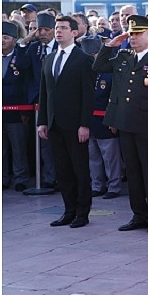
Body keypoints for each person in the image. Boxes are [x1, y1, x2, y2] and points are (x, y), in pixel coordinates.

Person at [94, 15, 148, 235]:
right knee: (134, 173)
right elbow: (98, 66)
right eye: (132, 34)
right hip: (125, 124)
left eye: (138, 34)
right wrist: (110, 45)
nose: (134, 38)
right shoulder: (122, 56)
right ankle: (138, 214)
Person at [37, 15, 95, 228]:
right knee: (62, 171)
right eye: (57, 28)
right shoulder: (49, 59)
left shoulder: (83, 59)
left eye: (63, 28)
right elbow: (45, 93)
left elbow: (88, 95)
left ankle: (82, 212)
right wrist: (42, 121)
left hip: (75, 124)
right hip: (54, 124)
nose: (58, 31)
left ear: (74, 32)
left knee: (79, 169)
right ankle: (68, 210)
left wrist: (85, 124)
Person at [16, 11, 58, 189]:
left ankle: (61, 177)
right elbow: (20, 65)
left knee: (59, 142)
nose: (42, 33)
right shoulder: (34, 48)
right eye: (39, 29)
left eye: (46, 29)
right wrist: (26, 41)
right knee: (44, 142)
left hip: (59, 101)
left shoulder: (62, 47)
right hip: (39, 101)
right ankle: (49, 177)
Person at [81, 37, 122, 200]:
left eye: (94, 54)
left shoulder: (109, 71)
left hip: (105, 120)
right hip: (88, 120)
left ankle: (114, 186)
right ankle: (97, 185)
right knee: (93, 156)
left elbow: (114, 96)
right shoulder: (84, 71)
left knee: (110, 156)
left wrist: (113, 120)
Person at [2, 21, 30, 191]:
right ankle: (2, 177)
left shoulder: (20, 56)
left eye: (6, 37)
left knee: (18, 147)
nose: (2, 41)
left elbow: (26, 84)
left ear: (14, 40)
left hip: (16, 110)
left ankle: (20, 178)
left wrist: (23, 108)